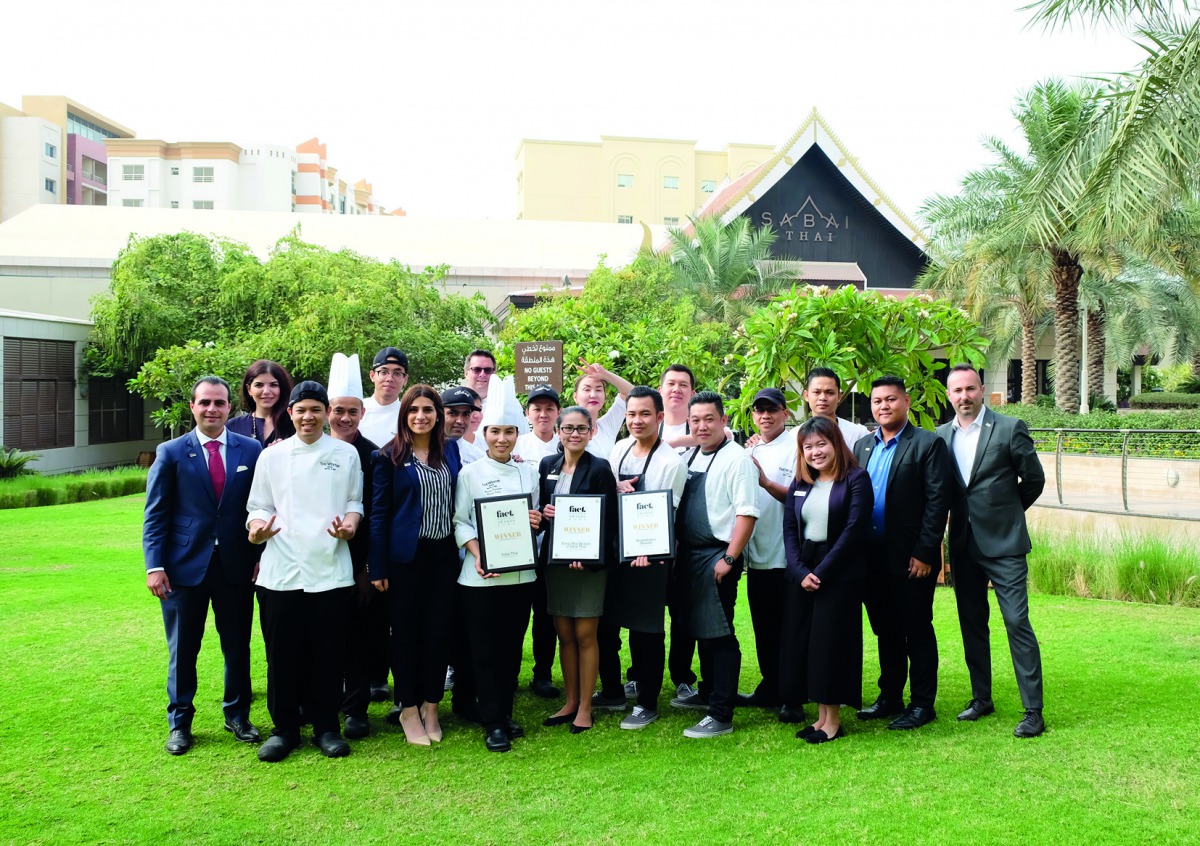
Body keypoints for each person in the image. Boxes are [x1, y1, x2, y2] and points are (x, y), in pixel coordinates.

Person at [143, 375, 263, 755]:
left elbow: (261, 507)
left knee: (237, 646)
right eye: (205, 403)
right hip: (183, 568)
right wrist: (154, 566)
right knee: (183, 650)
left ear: (231, 407)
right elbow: (155, 514)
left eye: (220, 403)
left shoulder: (251, 450)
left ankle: (238, 715)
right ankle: (180, 723)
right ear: (193, 407)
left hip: (235, 566)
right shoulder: (171, 452)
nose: (212, 409)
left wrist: (260, 557)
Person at [246, 380, 364, 762]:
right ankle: (284, 730)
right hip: (280, 571)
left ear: (326, 413)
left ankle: (326, 727)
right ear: (290, 413)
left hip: (330, 567)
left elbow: (354, 501)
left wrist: (349, 526)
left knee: (329, 653)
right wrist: (256, 529)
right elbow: (258, 505)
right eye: (301, 409)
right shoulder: (272, 456)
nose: (308, 416)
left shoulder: (345, 454)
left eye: (316, 409)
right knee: (281, 654)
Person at [936, 363, 1047, 738]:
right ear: (949, 395)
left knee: (1017, 622)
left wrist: (1008, 513)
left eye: (970, 389)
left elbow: (1034, 479)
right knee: (972, 624)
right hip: (964, 545)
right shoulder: (940, 436)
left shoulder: (1009, 428)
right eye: (957, 391)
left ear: (981, 390)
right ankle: (981, 698)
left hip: (1005, 544)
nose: (964, 396)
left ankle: (1033, 710)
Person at [852, 376, 951, 730]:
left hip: (912, 559)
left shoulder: (927, 444)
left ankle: (923, 704)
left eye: (890, 399)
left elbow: (938, 502)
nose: (883, 406)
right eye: (877, 401)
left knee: (917, 629)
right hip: (871, 558)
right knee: (886, 631)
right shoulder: (863, 447)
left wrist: (925, 552)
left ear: (906, 402)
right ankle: (890, 696)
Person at [452, 375, 543, 752]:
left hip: (521, 577)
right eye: (495, 432)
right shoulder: (468, 473)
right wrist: (477, 554)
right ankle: (492, 722)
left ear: (517, 433)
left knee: (510, 650)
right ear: (484, 432)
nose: (502, 439)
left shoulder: (529, 471)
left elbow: (533, 517)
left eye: (509, 432)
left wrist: (536, 519)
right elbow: (460, 521)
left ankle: (503, 712)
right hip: (481, 579)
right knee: (486, 652)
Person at [370, 385, 463, 746]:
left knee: (439, 634)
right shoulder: (388, 457)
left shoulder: (450, 451)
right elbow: (379, 514)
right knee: (406, 635)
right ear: (404, 414)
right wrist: (377, 567)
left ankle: (432, 705)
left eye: (428, 409)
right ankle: (408, 707)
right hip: (405, 560)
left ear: (438, 414)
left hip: (443, 557)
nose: (421, 416)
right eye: (413, 410)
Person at [596, 386, 688, 729]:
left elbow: (670, 514)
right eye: (631, 414)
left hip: (650, 557)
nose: (636, 420)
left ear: (660, 417)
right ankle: (613, 692)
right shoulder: (618, 450)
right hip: (614, 552)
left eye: (645, 414)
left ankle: (647, 702)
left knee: (646, 630)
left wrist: (648, 550)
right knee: (606, 625)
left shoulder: (670, 463)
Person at [780, 415, 873, 744]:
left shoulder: (856, 480)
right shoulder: (801, 483)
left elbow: (853, 532)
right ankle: (820, 718)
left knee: (830, 646)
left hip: (840, 574)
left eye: (821, 444)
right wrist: (801, 572)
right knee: (807, 645)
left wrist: (822, 572)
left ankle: (833, 722)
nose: (815, 451)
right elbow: (790, 531)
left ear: (835, 443)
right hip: (805, 572)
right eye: (808, 447)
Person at [671, 392, 759, 738]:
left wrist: (729, 558)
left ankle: (721, 713)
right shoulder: (691, 455)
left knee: (719, 635)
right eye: (696, 420)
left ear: (724, 421)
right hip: (689, 555)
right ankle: (708, 693)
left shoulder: (737, 459)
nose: (702, 426)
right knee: (700, 632)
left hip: (717, 555)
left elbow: (747, 513)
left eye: (709, 419)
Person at [537, 406, 618, 733]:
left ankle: (585, 707)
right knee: (564, 634)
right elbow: (542, 515)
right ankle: (570, 701)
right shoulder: (547, 466)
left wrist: (587, 556)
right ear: (558, 431)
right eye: (568, 428)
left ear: (591, 432)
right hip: (556, 563)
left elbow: (608, 519)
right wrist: (544, 512)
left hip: (587, 565)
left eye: (581, 429)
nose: (574, 434)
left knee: (586, 634)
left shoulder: (599, 468)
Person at [325, 353, 380, 740]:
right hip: (314, 563)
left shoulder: (374, 455)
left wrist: (365, 570)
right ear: (328, 411)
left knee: (360, 638)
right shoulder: (304, 448)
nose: (345, 418)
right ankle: (322, 704)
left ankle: (356, 709)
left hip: (357, 562)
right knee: (321, 638)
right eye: (338, 410)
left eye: (353, 411)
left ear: (363, 412)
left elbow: (376, 517)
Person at [740, 388, 797, 719]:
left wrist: (765, 482)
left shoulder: (796, 448)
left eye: (772, 410)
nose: (765, 416)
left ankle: (791, 694)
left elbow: (803, 496)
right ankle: (770, 685)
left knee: (787, 628)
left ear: (785, 414)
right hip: (756, 555)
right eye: (759, 411)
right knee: (763, 626)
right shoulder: (750, 448)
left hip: (787, 555)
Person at [514, 383, 563, 699]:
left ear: (557, 413)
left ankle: (542, 674)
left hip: (555, 545)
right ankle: (510, 673)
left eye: (549, 408)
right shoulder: (514, 445)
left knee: (546, 615)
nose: (543, 414)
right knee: (516, 613)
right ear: (527, 413)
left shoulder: (567, 444)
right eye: (537, 408)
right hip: (517, 543)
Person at [227, 360, 295, 447]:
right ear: (249, 389)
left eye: (273, 385)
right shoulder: (233, 426)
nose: (266, 391)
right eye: (259, 385)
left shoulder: (294, 424)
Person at [572, 362, 634, 459]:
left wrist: (605, 375)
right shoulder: (567, 431)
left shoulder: (607, 425)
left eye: (598, 390)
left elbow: (631, 393)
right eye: (587, 390)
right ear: (575, 397)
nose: (593, 395)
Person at [803, 367, 869, 448]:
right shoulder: (795, 436)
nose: (823, 398)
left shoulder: (859, 434)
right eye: (817, 392)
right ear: (806, 395)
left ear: (839, 396)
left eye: (830, 392)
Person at [359, 347, 410, 452]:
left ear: (405, 379)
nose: (390, 378)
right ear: (372, 376)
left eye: (397, 373)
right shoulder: (356, 409)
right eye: (383, 372)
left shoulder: (409, 414)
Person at [442, 386, 485, 466]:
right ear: (439, 414)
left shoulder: (478, 458)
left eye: (466, 414)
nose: (460, 421)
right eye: (453, 413)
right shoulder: (422, 451)